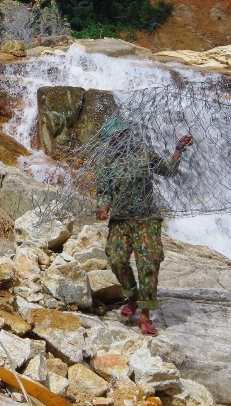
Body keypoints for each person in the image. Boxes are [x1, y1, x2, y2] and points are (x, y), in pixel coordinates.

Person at [94, 117, 193, 336]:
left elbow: (168, 170)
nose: (117, 140)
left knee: (148, 262)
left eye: (120, 136)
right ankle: (133, 297)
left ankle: (145, 316)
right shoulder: (106, 162)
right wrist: (103, 207)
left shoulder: (144, 154)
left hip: (147, 219)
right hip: (121, 219)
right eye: (113, 138)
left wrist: (178, 149)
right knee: (116, 258)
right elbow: (103, 191)